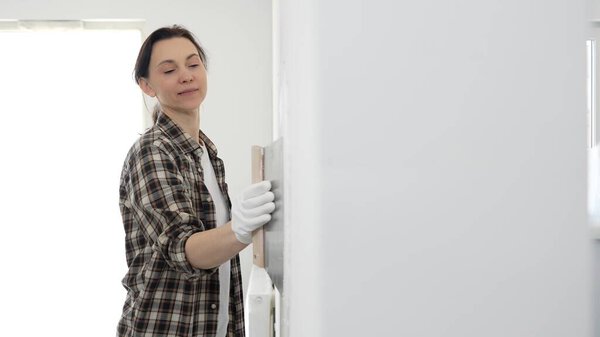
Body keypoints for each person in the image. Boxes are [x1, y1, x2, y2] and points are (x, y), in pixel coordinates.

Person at [117, 25, 275, 337]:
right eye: (169, 70)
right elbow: (183, 249)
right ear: (147, 86)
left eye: (193, 64)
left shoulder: (206, 153)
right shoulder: (152, 151)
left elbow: (219, 266)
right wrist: (240, 229)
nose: (186, 76)